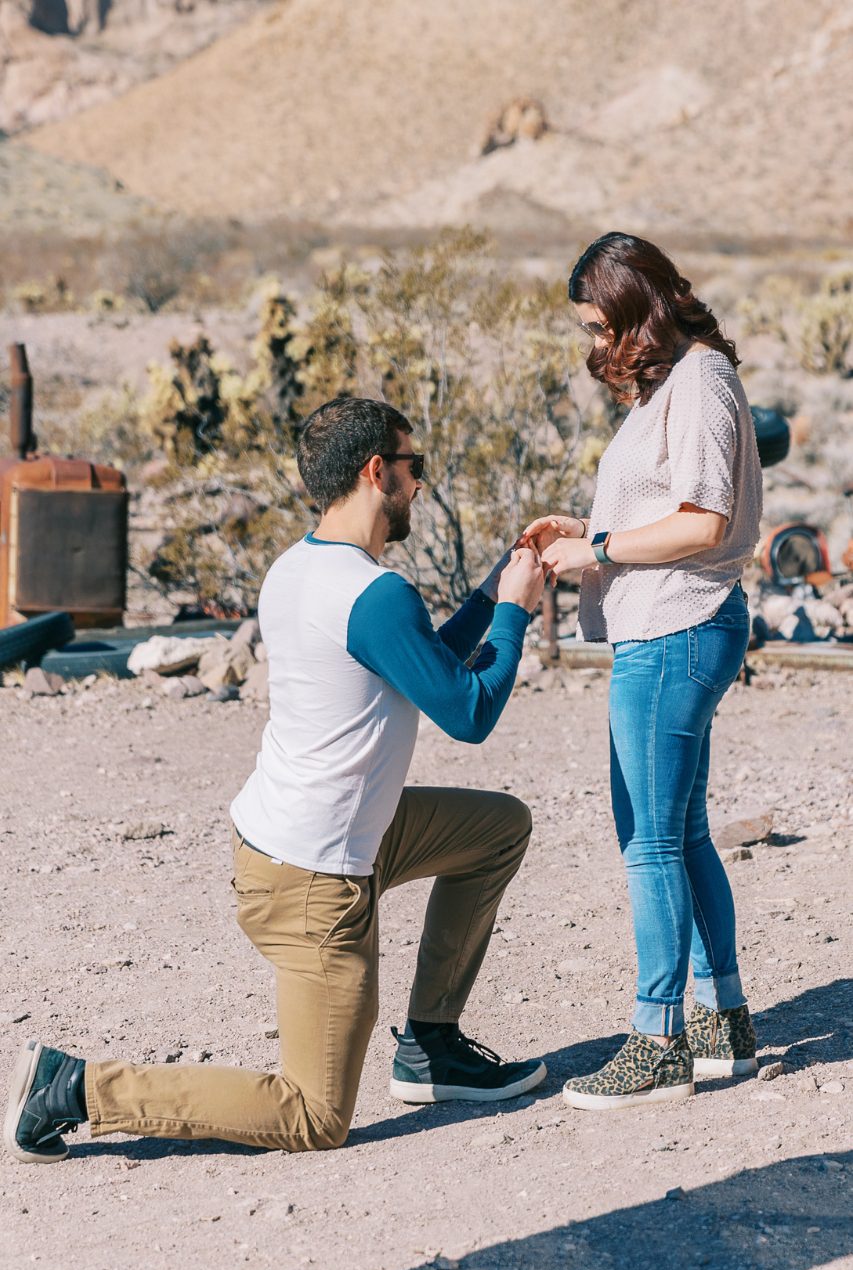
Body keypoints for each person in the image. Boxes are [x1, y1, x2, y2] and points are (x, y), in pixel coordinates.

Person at [6, 396, 547, 1164]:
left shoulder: (302, 568)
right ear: (374, 471)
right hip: (315, 881)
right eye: (412, 467)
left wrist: (497, 589)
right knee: (313, 1115)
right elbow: (466, 712)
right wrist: (517, 615)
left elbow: (420, 664)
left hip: (318, 837)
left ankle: (431, 1048)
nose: (419, 485)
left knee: (497, 829)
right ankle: (76, 1088)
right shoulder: (373, 592)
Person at [522, 232, 763, 1110]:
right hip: (674, 626)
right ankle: (721, 1022)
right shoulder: (683, 381)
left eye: (598, 323)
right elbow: (669, 506)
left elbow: (703, 522)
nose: (593, 342)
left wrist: (597, 550)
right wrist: (586, 530)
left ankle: (657, 1038)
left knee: (649, 839)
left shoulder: (698, 380)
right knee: (680, 832)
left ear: (636, 309)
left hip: (675, 626)